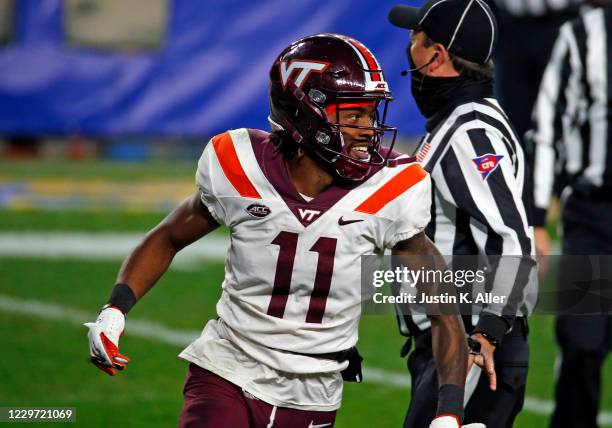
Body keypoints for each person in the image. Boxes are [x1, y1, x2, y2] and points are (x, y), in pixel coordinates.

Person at [84, 33, 472, 428]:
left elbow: (443, 310)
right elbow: (168, 237)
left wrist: (449, 413)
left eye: (371, 115)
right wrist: (114, 311)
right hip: (227, 371)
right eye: (353, 115)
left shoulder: (392, 187)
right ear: (306, 115)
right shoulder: (240, 166)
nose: (368, 130)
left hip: (314, 392)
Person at [388, 1, 537, 427]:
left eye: (416, 38)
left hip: (467, 346)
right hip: (459, 341)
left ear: (436, 55)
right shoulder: (462, 119)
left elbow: (510, 238)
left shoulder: (468, 130)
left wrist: (487, 332)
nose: (409, 46)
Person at [529, 4, 612, 427]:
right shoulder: (582, 35)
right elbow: (547, 127)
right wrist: (539, 217)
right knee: (582, 343)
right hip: (593, 216)